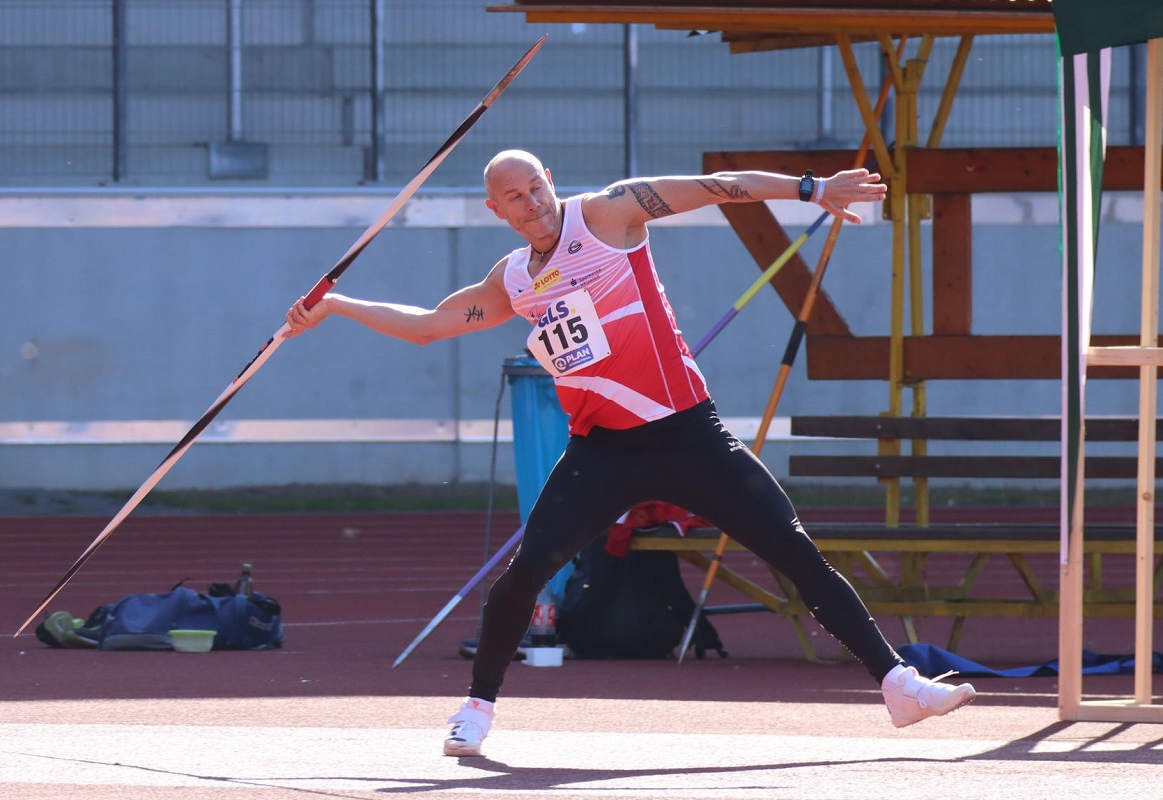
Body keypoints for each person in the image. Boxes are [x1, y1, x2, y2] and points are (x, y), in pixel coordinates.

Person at [284, 150, 977, 757]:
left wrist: (810, 188)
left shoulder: (609, 215)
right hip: (602, 452)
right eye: (515, 200)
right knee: (527, 573)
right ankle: (477, 707)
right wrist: (339, 304)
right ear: (498, 211)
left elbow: (716, 185)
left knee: (792, 548)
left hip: (689, 435)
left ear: (550, 181)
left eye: (536, 189)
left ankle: (897, 683)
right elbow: (432, 326)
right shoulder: (514, 281)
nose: (532, 206)